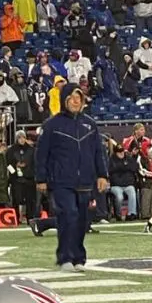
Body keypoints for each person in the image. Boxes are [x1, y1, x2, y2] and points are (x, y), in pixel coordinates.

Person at [35, 83, 109, 271]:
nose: (76, 101)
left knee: (82, 220)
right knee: (68, 215)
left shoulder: (90, 124)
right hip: (60, 181)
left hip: (85, 180)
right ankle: (65, 258)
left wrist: (102, 175)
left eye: (79, 98)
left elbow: (98, 152)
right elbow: (41, 153)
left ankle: (78, 258)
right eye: (72, 98)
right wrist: (41, 179)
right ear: (64, 100)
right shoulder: (51, 125)